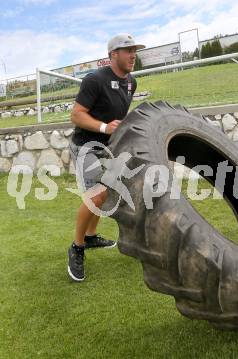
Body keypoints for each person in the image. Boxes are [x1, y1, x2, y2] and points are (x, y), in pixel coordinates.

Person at [67, 34, 145, 282]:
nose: (133, 55)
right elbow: (77, 115)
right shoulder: (94, 79)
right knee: (97, 195)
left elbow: (119, 113)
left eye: (134, 50)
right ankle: (77, 247)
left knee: (109, 191)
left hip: (109, 146)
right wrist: (103, 128)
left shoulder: (132, 83)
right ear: (113, 54)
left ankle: (91, 237)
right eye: (127, 50)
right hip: (86, 145)